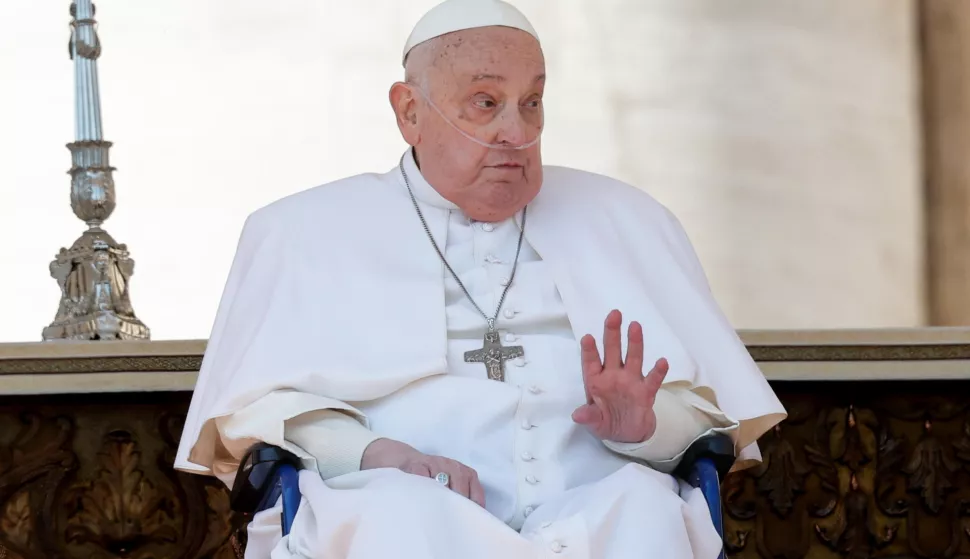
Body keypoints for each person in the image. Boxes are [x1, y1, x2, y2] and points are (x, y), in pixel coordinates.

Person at [176, 1, 786, 557]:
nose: (517, 135)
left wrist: (645, 428)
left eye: (533, 102)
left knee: (647, 509)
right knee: (396, 518)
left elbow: (708, 426)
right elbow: (256, 416)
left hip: (598, 512)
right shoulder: (301, 231)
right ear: (410, 112)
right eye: (486, 103)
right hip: (396, 508)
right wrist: (375, 456)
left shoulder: (628, 219)